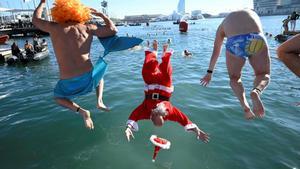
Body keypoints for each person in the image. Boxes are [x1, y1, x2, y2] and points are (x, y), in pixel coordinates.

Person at [32, 0, 118, 129]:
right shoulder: (87, 27)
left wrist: (42, 3)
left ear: (59, 12)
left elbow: (35, 20)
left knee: (58, 97)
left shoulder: (54, 27)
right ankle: (99, 101)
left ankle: (82, 111)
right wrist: (102, 15)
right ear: (80, 12)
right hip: (88, 78)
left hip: (67, 81)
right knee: (99, 78)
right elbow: (113, 30)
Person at [125, 41, 209, 143]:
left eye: (155, 113)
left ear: (151, 116)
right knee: (166, 71)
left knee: (146, 69)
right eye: (161, 115)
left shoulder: (146, 112)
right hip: (164, 86)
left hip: (151, 84)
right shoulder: (170, 113)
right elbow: (183, 119)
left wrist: (129, 127)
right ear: (164, 116)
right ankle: (164, 54)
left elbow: (135, 115)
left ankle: (154, 52)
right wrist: (196, 129)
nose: (156, 109)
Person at [200, 9, 270, 120]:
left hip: (235, 42)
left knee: (234, 78)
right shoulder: (253, 14)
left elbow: (216, 51)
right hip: (256, 38)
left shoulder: (223, 23)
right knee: (263, 74)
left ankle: (246, 107)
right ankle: (256, 91)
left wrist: (209, 73)